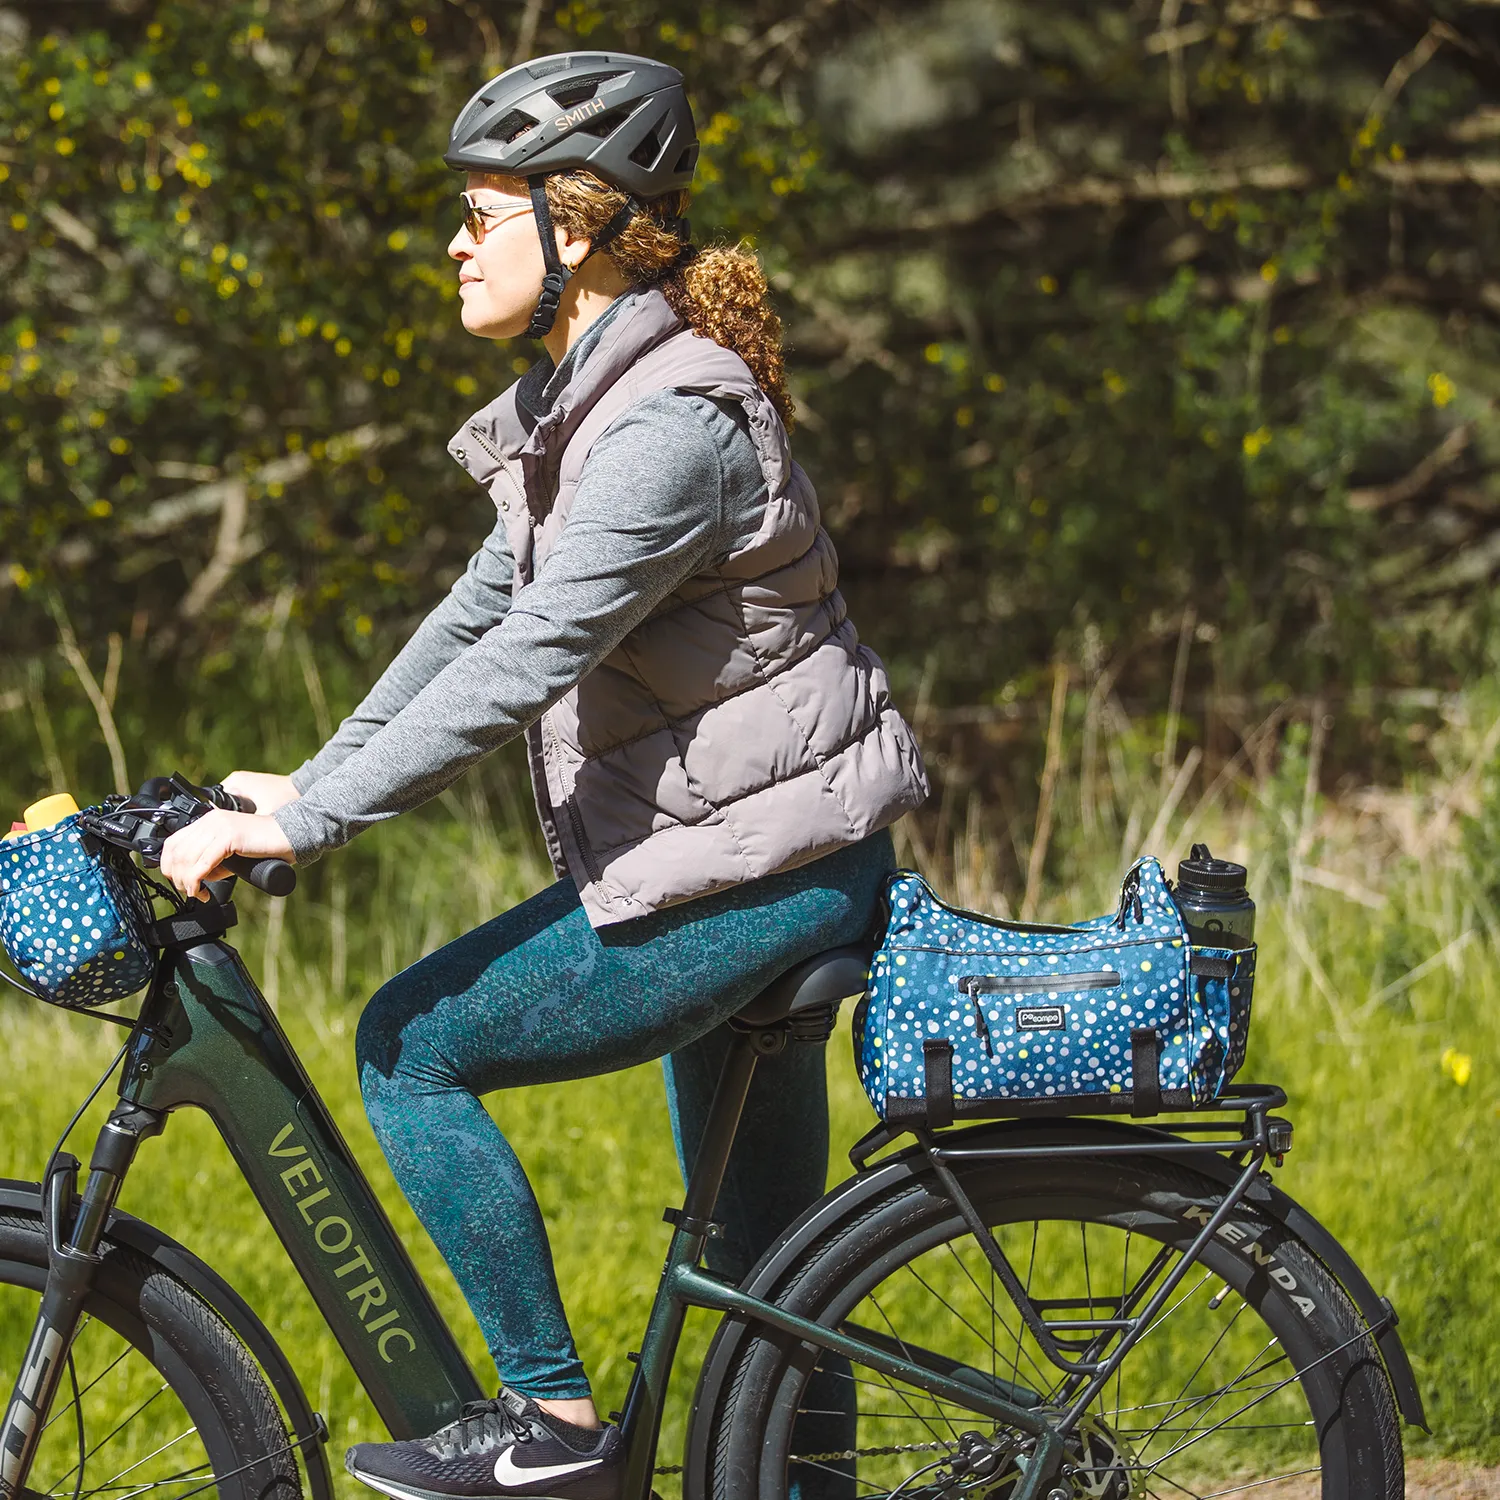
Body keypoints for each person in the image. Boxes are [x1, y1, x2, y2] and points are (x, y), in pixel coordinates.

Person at [159, 50, 927, 1500]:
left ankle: (552, 1427)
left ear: (571, 227)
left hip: (758, 875)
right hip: (760, 856)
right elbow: (475, 619)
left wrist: (323, 817)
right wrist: (301, 787)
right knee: (776, 1283)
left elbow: (533, 657)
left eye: (478, 213)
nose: (452, 242)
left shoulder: (663, 426)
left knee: (412, 1046)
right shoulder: (585, 401)